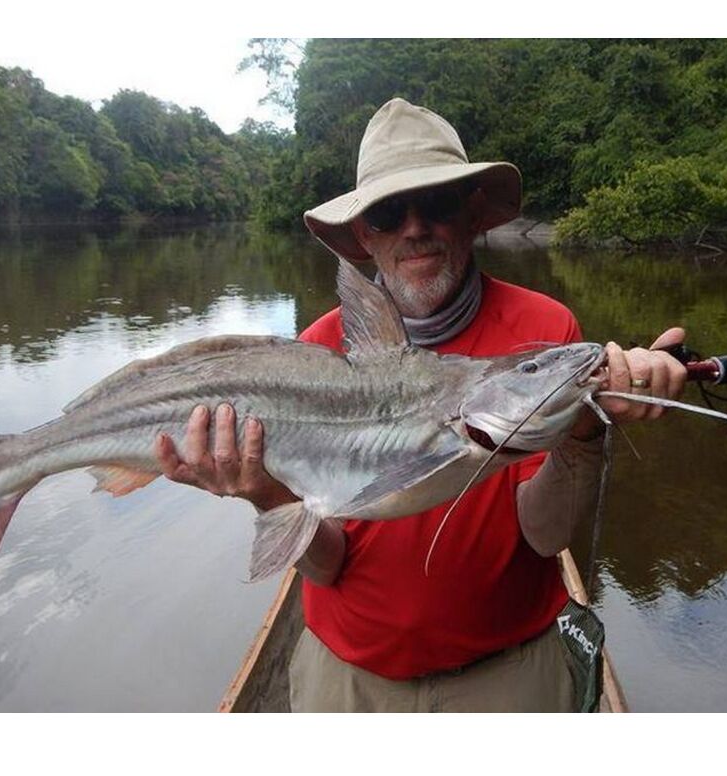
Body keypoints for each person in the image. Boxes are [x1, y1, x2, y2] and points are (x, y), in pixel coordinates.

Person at [153, 98, 687, 711]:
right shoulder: (317, 351)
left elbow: (546, 538)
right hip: (350, 679)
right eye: (387, 212)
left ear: (472, 214)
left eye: (436, 202)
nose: (414, 228)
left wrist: (585, 432)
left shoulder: (544, 332)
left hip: (508, 672)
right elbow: (327, 567)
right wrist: (267, 497)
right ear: (363, 234)